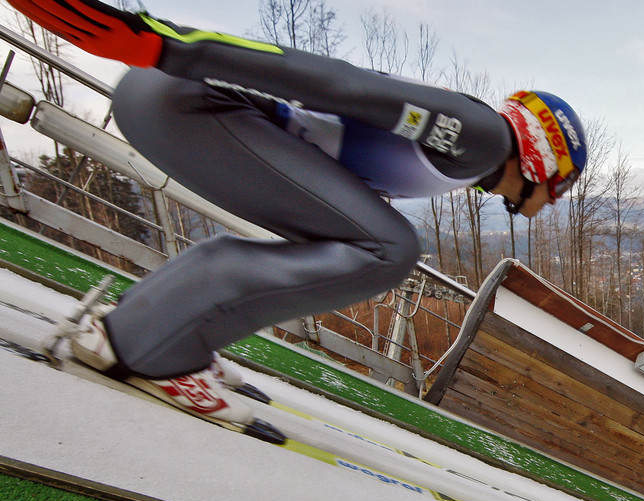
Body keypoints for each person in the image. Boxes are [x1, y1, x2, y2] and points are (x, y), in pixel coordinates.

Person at [10, 0, 587, 439]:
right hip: (189, 99)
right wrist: (164, 42)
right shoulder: (481, 138)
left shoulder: (469, 148)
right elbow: (335, 82)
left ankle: (162, 329)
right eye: (559, 187)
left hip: (185, 102)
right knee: (389, 248)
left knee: (365, 235)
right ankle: (145, 349)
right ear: (543, 160)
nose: (552, 202)